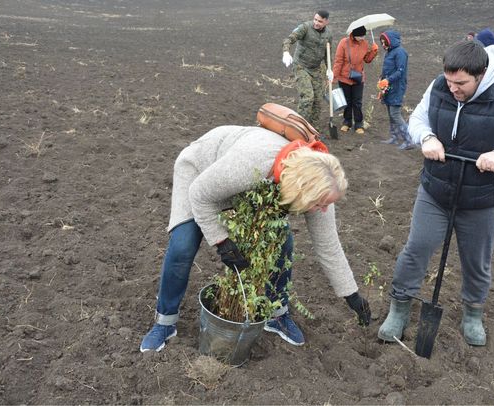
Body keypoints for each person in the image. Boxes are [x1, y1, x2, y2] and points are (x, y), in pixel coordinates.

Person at [377, 31, 494, 347]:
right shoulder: (440, 86)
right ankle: (399, 306)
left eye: (461, 84)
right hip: (436, 191)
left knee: (476, 260)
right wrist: (427, 138)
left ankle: (472, 313)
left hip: (483, 198)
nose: (453, 89)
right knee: (417, 248)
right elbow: (417, 119)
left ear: (481, 75)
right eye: (449, 81)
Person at [139, 125, 371, 352]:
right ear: (303, 191)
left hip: (241, 186)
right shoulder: (252, 164)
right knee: (183, 245)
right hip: (201, 169)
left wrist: (352, 295)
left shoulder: (321, 190)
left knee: (283, 243)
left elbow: (328, 246)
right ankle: (164, 323)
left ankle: (276, 316)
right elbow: (199, 194)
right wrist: (221, 241)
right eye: (320, 204)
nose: (323, 210)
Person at [282, 11, 334, 127]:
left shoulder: (328, 35)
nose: (316, 23)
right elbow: (289, 39)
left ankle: (312, 128)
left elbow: (328, 53)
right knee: (307, 97)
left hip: (315, 70)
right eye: (315, 19)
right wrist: (286, 52)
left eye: (320, 21)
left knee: (317, 100)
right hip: (301, 66)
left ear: (326, 22)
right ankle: (298, 127)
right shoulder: (305, 28)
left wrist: (329, 69)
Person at [332, 26, 378, 135]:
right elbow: (338, 61)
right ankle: (347, 122)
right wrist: (334, 76)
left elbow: (367, 60)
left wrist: (373, 52)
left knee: (357, 102)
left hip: (358, 77)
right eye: (360, 36)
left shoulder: (365, 44)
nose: (362, 38)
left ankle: (358, 123)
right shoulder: (344, 43)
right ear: (354, 35)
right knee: (347, 101)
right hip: (344, 78)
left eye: (364, 36)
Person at [378, 30, 414, 150]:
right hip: (388, 86)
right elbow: (386, 69)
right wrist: (381, 81)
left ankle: (409, 140)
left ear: (391, 41)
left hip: (397, 86)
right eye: (382, 42)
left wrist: (388, 80)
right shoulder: (389, 52)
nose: (383, 45)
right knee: (390, 113)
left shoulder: (400, 52)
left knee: (395, 113)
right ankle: (395, 137)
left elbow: (400, 71)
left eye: (385, 42)